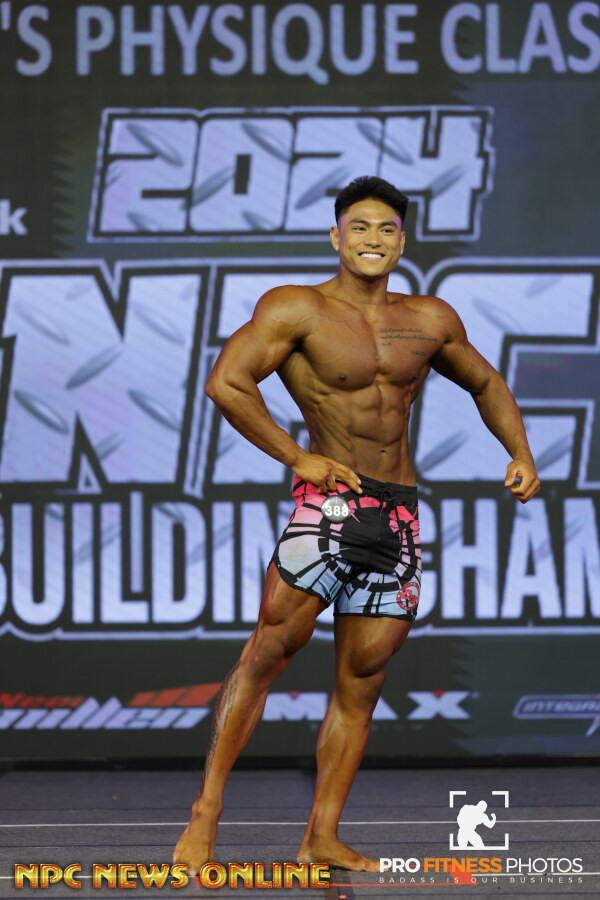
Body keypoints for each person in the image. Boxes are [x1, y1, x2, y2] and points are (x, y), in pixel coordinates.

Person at [173, 175, 540, 874]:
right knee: (269, 651)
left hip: (397, 512)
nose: (374, 239)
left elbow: (486, 382)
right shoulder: (297, 308)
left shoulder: (429, 318)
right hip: (331, 504)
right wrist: (296, 457)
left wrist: (520, 452)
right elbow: (226, 381)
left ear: (402, 242)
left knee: (363, 677)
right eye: (360, 227)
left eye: (387, 229)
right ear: (335, 237)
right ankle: (206, 812)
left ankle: (322, 835)